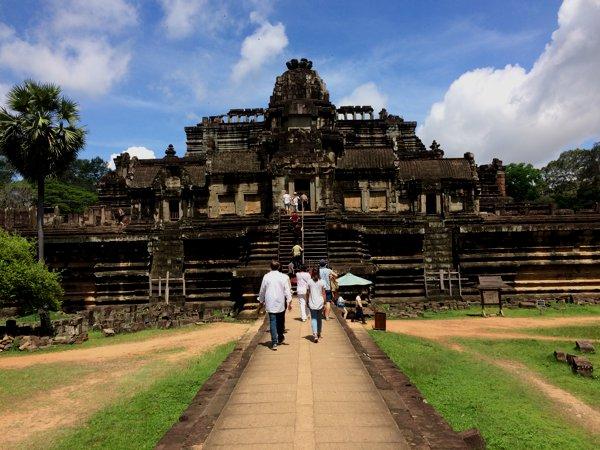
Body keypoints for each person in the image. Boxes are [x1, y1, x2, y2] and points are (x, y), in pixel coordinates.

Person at [258, 260, 292, 350]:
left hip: (270, 302)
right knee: (280, 320)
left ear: (270, 267)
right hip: (280, 302)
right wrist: (289, 301)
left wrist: (261, 300)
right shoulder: (283, 277)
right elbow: (287, 290)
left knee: (272, 321)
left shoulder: (266, 277)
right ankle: (280, 337)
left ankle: (274, 342)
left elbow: (262, 290)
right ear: (279, 267)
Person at [307, 269, 326, 342]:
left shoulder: (309, 282)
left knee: (314, 319)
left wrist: (307, 301)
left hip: (312, 302)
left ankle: (315, 334)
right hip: (320, 302)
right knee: (319, 319)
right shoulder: (322, 282)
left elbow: (308, 293)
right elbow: (323, 293)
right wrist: (324, 303)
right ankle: (319, 333)